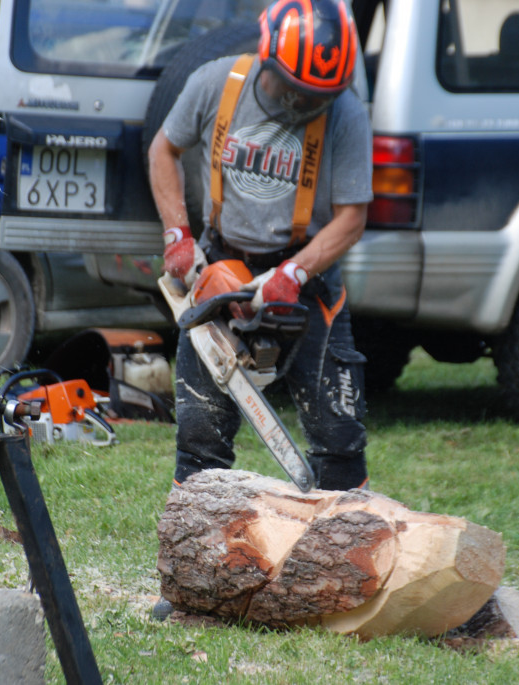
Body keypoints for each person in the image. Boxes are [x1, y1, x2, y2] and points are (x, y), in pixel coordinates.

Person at [148, 0, 373, 492]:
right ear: (265, 56)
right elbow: (163, 149)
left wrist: (292, 274)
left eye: (314, 96)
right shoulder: (215, 82)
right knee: (199, 434)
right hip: (222, 262)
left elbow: (352, 217)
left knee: (339, 434)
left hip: (306, 275)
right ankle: (198, 542)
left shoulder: (346, 114)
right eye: (291, 89)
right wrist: (177, 234)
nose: (300, 104)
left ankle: (346, 545)